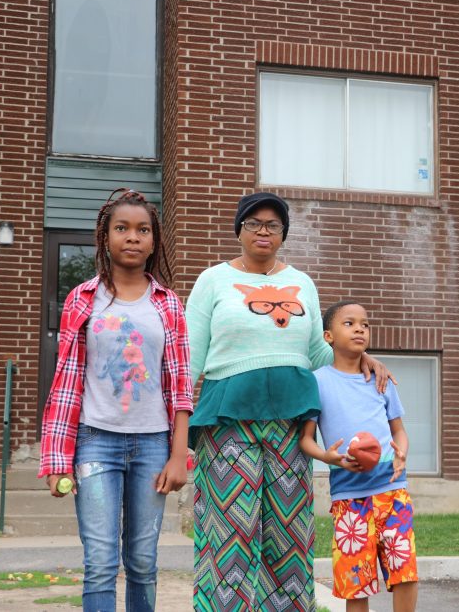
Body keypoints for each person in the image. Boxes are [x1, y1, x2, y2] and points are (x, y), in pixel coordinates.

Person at [187, 191, 392, 611]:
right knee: (230, 534)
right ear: (239, 230)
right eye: (254, 223)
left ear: (283, 234)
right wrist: (169, 432)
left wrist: (360, 356)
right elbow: (190, 358)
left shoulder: (302, 282)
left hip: (289, 428)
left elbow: (318, 353)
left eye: (273, 225)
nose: (264, 231)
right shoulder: (213, 280)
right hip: (228, 422)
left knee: (287, 535)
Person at [39, 188, 193, 612]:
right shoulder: (82, 300)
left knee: (143, 561)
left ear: (154, 240)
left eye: (143, 230)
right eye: (121, 228)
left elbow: (180, 384)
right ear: (105, 237)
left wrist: (179, 454)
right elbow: (65, 384)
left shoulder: (168, 305)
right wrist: (57, 460)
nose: (132, 237)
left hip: (152, 445)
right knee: (101, 562)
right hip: (95, 442)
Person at [299, 300, 418, 612]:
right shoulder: (319, 381)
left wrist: (401, 454)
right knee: (356, 584)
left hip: (392, 491)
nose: (359, 329)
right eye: (349, 323)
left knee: (405, 572)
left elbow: (399, 432)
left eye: (364, 324)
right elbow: (306, 440)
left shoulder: (380, 380)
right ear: (328, 336)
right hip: (349, 496)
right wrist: (329, 457)